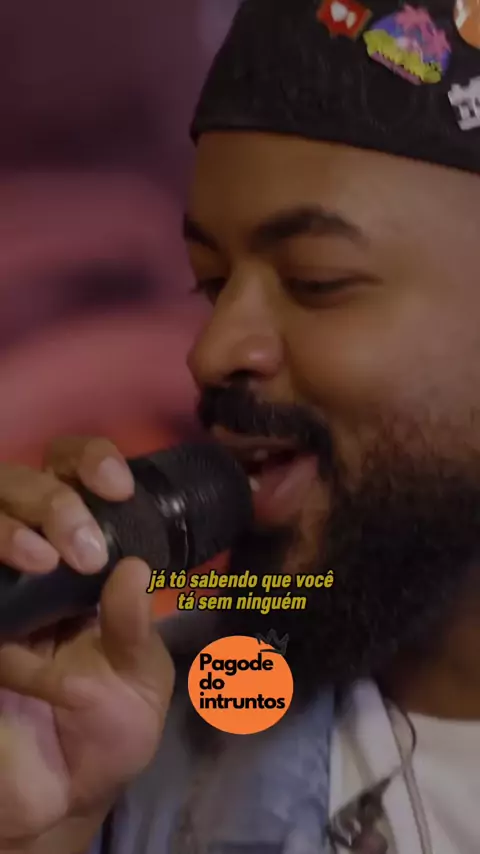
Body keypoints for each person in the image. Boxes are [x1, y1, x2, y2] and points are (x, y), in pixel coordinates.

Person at [1, 0, 480, 851]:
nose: (213, 349)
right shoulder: (122, 747)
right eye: (212, 284)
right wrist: (48, 830)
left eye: (316, 279)